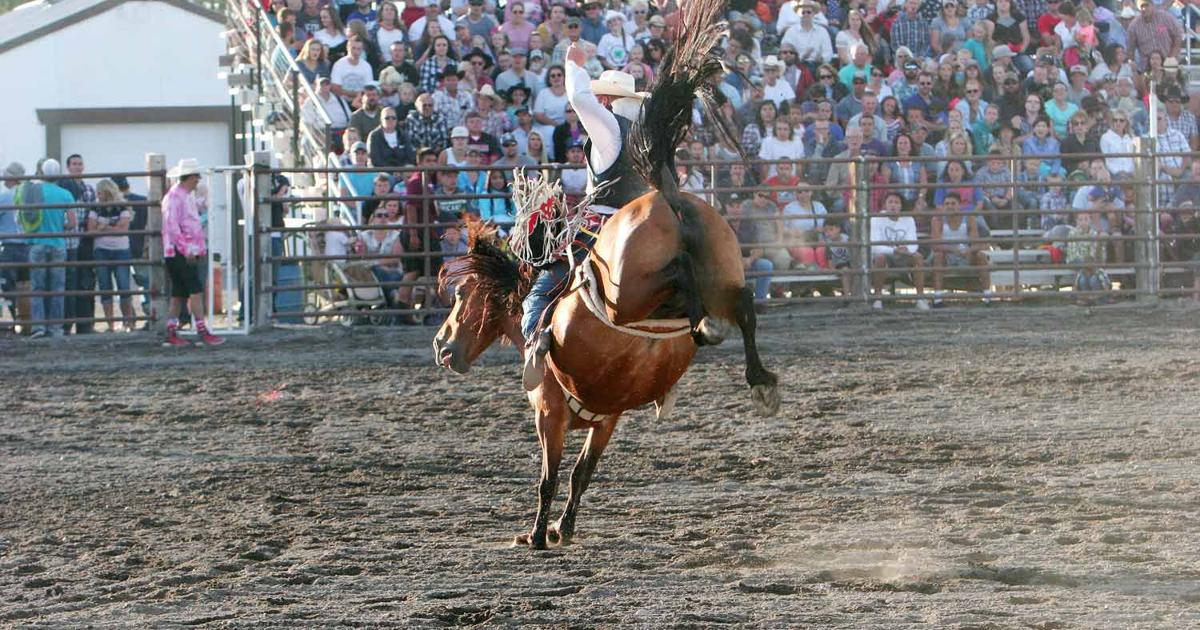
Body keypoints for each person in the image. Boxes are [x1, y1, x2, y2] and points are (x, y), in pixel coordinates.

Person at [521, 42, 649, 388]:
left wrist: (574, 65)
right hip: (640, 226)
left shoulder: (610, 128)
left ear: (605, 101)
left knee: (541, 290)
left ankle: (535, 341)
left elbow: (579, 98)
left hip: (603, 227)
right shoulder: (643, 138)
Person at [161, 159, 223, 347]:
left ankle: (172, 331)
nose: (198, 179)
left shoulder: (181, 196)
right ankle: (202, 330)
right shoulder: (176, 197)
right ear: (189, 177)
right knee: (194, 291)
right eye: (196, 176)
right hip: (181, 252)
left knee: (179, 293)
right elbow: (173, 227)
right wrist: (187, 249)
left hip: (178, 251)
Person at [22, 159, 73, 339]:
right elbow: (72, 223)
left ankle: (39, 327)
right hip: (58, 245)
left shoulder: (34, 191)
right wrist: (59, 225)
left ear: (42, 173)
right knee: (57, 288)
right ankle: (55, 328)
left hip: (37, 243)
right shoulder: (65, 194)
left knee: (38, 287)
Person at [88, 179, 135, 332]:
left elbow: (123, 229)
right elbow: (91, 230)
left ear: (107, 192)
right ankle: (111, 325)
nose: (98, 195)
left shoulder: (122, 206)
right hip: (102, 250)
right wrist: (114, 227)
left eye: (100, 192)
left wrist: (103, 227)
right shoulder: (95, 207)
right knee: (105, 287)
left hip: (120, 250)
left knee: (124, 286)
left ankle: (128, 322)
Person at [929, 191, 991, 306]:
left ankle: (988, 297)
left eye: (953, 203)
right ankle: (937, 299)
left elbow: (976, 242)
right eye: (947, 204)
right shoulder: (937, 219)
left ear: (960, 205)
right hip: (946, 255)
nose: (950, 206)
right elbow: (935, 245)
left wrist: (968, 251)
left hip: (965, 255)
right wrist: (952, 250)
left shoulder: (969, 218)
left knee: (981, 256)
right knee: (938, 256)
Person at [870, 191, 929, 310]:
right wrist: (895, 250)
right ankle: (878, 298)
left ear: (901, 206)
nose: (893, 205)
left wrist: (907, 249)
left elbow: (913, 243)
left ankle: (920, 298)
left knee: (918, 257)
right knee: (880, 258)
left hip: (904, 255)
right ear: (885, 205)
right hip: (886, 255)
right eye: (890, 202)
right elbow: (875, 246)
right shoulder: (876, 219)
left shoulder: (908, 219)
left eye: (896, 202)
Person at [0, 162, 28, 325]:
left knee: (8, 284)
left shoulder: (4, 198)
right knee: (26, 284)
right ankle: (27, 319)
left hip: (10, 246)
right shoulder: (29, 196)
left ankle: (15, 317)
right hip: (28, 245)